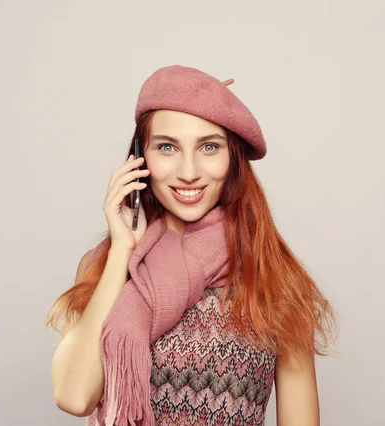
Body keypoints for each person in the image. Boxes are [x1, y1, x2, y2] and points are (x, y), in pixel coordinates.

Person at [46, 65, 337, 426]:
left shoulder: (273, 278)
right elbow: (74, 396)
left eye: (209, 147)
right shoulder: (105, 264)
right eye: (167, 147)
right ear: (140, 158)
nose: (188, 171)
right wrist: (123, 250)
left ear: (233, 159)